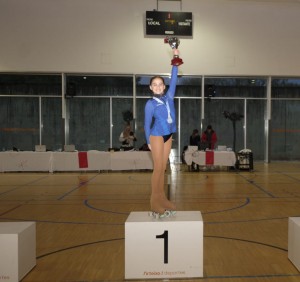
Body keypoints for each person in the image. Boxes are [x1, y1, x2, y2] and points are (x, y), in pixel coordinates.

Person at [144, 48, 182, 217]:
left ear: (164, 87)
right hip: (156, 136)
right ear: (150, 87)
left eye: (160, 84)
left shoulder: (170, 97)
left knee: (164, 168)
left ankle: (163, 199)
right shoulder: (150, 104)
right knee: (158, 168)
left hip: (168, 135)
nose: (158, 87)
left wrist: (175, 57)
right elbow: (146, 125)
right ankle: (154, 202)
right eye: (155, 84)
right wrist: (149, 142)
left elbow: (174, 77)